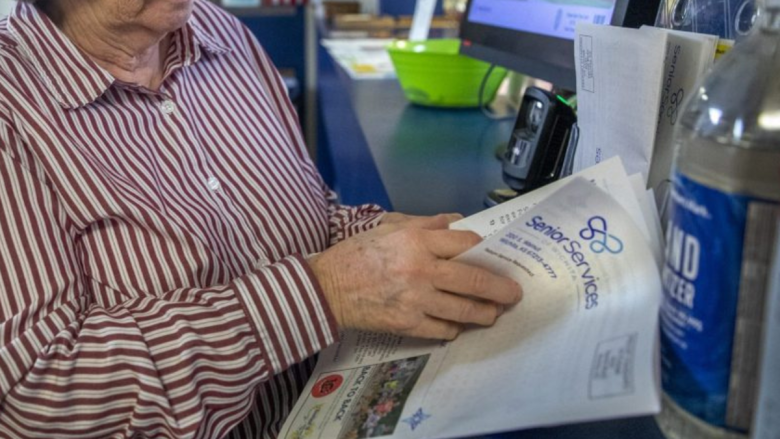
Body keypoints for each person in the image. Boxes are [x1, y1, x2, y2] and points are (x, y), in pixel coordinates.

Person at [0, 0, 523, 437]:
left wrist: (387, 242)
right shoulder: (12, 107)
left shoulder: (219, 32)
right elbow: (35, 391)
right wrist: (326, 293)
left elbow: (306, 215)